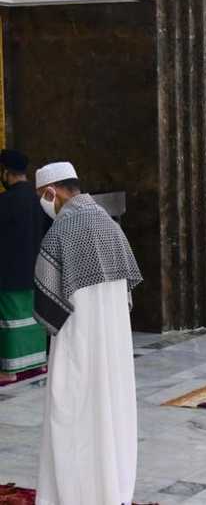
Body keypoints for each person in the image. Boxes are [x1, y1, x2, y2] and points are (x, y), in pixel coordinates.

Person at [33, 161, 143, 505]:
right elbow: (127, 294)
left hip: (76, 343)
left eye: (42, 196)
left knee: (73, 417)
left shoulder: (61, 232)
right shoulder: (110, 226)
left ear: (53, 191)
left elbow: (45, 306)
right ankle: (111, 490)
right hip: (112, 346)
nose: (44, 203)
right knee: (110, 415)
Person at [0, 150, 49, 383]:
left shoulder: (5, 202)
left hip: (9, 274)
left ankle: (10, 371)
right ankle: (37, 365)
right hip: (37, 272)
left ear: (6, 173)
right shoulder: (39, 201)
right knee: (33, 320)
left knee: (11, 322)